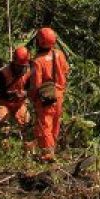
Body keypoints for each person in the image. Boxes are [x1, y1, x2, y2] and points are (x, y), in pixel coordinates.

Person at [27, 26, 69, 163]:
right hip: (59, 94)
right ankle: (52, 150)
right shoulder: (59, 54)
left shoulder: (37, 61)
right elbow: (66, 70)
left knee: (45, 124)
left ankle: (47, 154)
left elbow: (36, 84)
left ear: (39, 42)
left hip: (45, 96)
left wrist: (32, 98)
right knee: (56, 123)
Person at [0, 46, 31, 134]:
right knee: (2, 119)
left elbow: (31, 89)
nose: (20, 69)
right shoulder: (3, 73)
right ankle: (4, 144)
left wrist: (25, 93)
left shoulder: (28, 73)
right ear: (14, 63)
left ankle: (24, 143)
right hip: (4, 103)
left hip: (19, 104)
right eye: (19, 66)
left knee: (25, 121)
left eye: (23, 66)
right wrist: (11, 94)